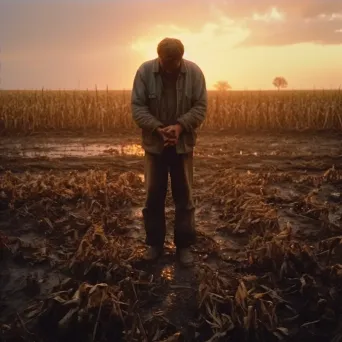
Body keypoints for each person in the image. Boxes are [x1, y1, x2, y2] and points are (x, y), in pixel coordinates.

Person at [131, 37, 207, 267]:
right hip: (155, 146)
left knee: (184, 198)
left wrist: (180, 126)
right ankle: (154, 245)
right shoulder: (144, 72)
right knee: (153, 197)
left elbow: (201, 106)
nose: (170, 67)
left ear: (181, 58)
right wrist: (158, 128)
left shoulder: (194, 73)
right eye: (166, 63)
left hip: (182, 146)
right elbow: (137, 107)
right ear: (159, 58)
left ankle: (183, 247)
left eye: (175, 63)